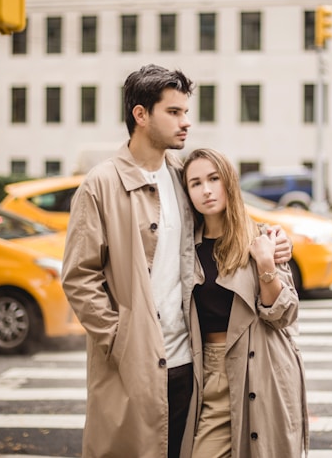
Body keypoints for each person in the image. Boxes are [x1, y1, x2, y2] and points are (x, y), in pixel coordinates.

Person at [61, 64, 292, 458]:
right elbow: (79, 278)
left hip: (192, 364)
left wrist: (271, 238)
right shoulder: (100, 185)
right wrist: (121, 341)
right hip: (132, 367)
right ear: (141, 115)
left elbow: (227, 219)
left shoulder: (183, 178)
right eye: (174, 112)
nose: (186, 122)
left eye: (186, 111)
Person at [182, 147, 309, 458]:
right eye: (195, 183)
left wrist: (266, 266)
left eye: (214, 178)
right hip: (211, 370)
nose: (206, 190)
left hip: (263, 366)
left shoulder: (262, 237)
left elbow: (284, 315)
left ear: (229, 181)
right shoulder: (185, 246)